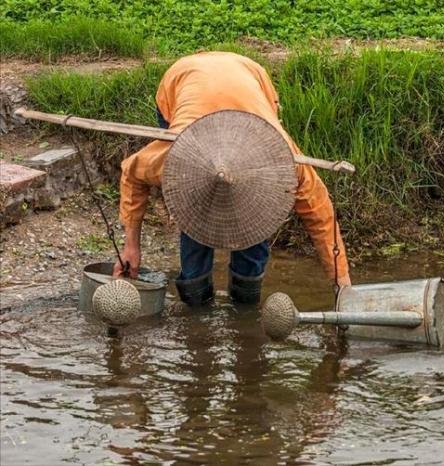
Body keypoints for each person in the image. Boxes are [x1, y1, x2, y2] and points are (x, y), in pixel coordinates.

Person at [113, 51, 351, 306]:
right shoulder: (178, 153)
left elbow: (321, 215)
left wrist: (343, 285)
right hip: (182, 79)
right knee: (193, 203)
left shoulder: (283, 159)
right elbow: (132, 172)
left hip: (249, 73)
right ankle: (196, 299)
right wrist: (131, 247)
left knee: (256, 219)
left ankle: (245, 301)